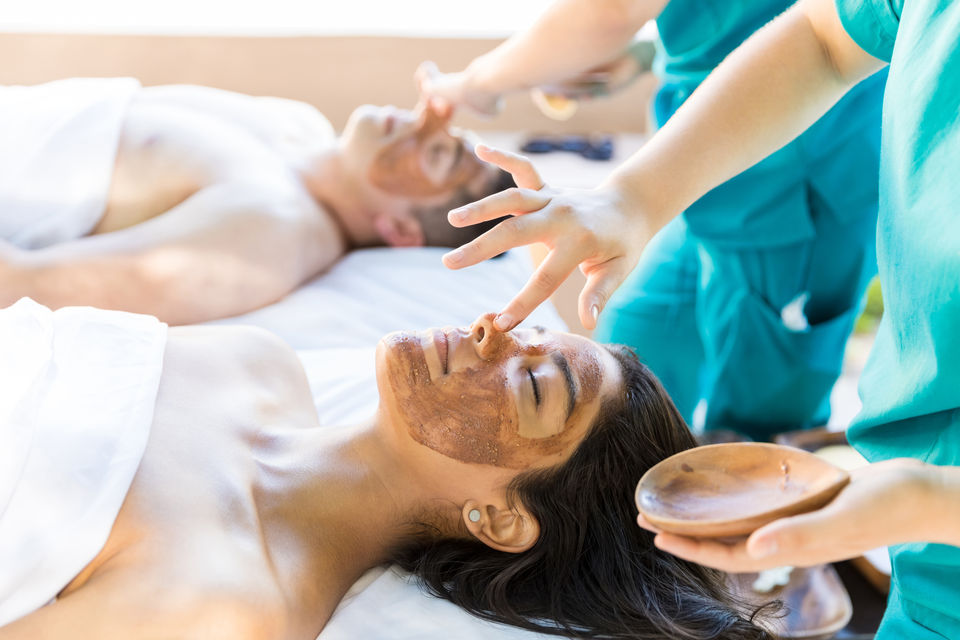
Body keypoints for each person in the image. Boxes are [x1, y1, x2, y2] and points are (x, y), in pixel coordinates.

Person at [434, 0, 960, 636]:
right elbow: (825, 35)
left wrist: (931, 505)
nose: (494, 336)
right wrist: (632, 198)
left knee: (755, 415)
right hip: (730, 200)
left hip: (795, 203)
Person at [0, 300, 776, 639]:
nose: (492, 333)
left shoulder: (224, 604)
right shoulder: (254, 366)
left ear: (501, 518)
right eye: (530, 327)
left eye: (536, 383)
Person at [419, 0, 885, 439]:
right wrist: (654, 50)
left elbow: (609, 11)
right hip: (700, 181)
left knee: (753, 434)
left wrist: (475, 85)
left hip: (795, 185)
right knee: (628, 364)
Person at [0, 78, 513, 325]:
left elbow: (24, 286)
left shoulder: (268, 236)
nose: (429, 116)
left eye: (442, 155)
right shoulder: (300, 126)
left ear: (401, 231)